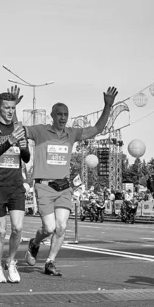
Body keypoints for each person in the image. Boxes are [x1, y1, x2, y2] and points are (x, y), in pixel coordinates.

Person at [23, 87, 118, 277]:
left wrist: (107, 105)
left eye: (66, 114)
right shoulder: (40, 131)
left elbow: (97, 129)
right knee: (49, 228)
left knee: (62, 226)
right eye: (59, 114)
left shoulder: (72, 133)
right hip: (44, 186)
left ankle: (50, 262)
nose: (63, 117)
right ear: (52, 115)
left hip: (64, 187)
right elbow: (18, 130)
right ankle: (34, 243)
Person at [0, 92, 30, 283]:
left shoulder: (19, 128)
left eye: (13, 108)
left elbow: (26, 158)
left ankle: (10, 263)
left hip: (16, 185)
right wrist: (9, 141)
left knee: (18, 228)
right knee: (1, 230)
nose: (10, 111)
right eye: (7, 108)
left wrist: (24, 146)